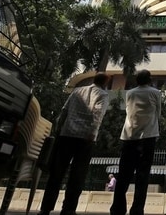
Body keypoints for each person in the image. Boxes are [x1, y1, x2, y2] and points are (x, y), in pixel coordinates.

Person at [38, 72, 111, 215]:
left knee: (56, 173)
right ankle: (69, 209)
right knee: (77, 175)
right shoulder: (103, 95)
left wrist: (59, 129)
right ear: (105, 83)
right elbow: (98, 114)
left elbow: (63, 111)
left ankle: (45, 208)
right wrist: (93, 132)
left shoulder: (77, 91)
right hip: (85, 139)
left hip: (66, 134)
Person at [110, 69, 162, 215]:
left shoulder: (130, 93)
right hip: (148, 137)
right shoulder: (155, 93)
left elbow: (128, 110)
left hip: (129, 136)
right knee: (143, 176)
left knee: (124, 175)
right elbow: (158, 113)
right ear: (150, 79)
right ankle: (137, 210)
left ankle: (117, 209)